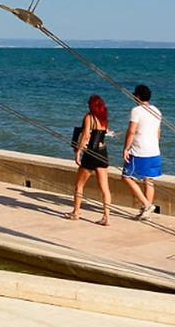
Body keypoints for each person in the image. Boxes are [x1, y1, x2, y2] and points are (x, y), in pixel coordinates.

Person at [65, 94, 112, 225]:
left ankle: (76, 213)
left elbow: (86, 136)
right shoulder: (104, 118)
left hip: (91, 153)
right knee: (105, 188)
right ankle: (106, 217)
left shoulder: (89, 117)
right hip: (103, 152)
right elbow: (104, 132)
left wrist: (78, 152)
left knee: (79, 185)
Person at [122, 84, 162, 220]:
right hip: (154, 151)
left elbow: (131, 131)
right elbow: (158, 132)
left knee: (126, 177)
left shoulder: (136, 111)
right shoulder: (157, 111)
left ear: (137, 96)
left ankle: (147, 205)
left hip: (140, 151)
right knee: (149, 180)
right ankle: (147, 212)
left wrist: (126, 148)